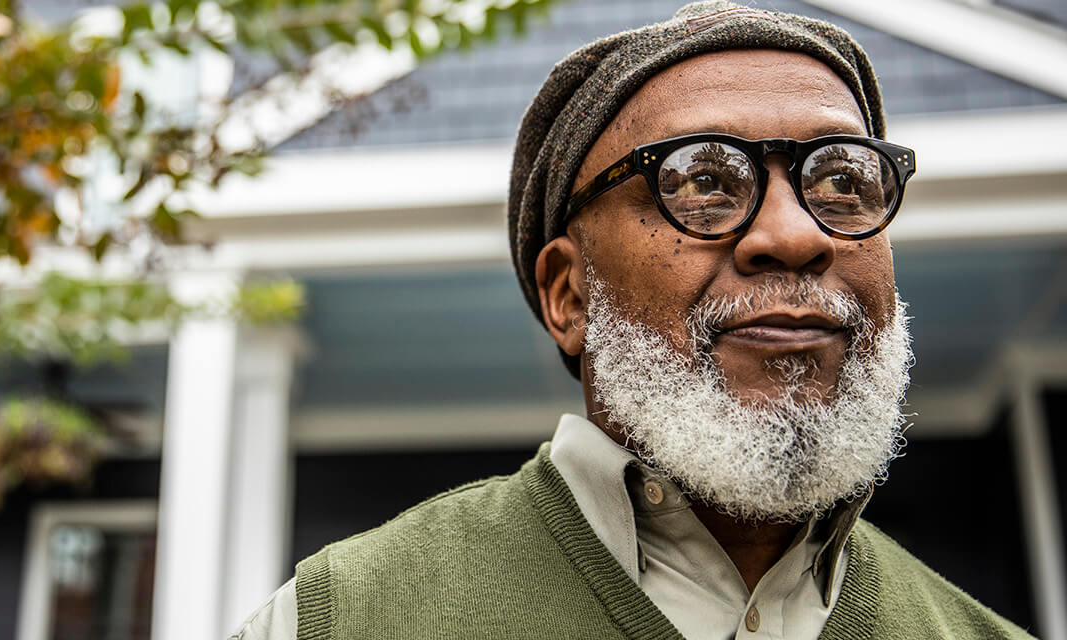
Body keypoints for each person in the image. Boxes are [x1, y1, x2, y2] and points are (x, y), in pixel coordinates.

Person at [233, 2, 1032, 638]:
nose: (796, 235)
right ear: (569, 295)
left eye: (843, 182)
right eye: (702, 181)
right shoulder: (341, 620)